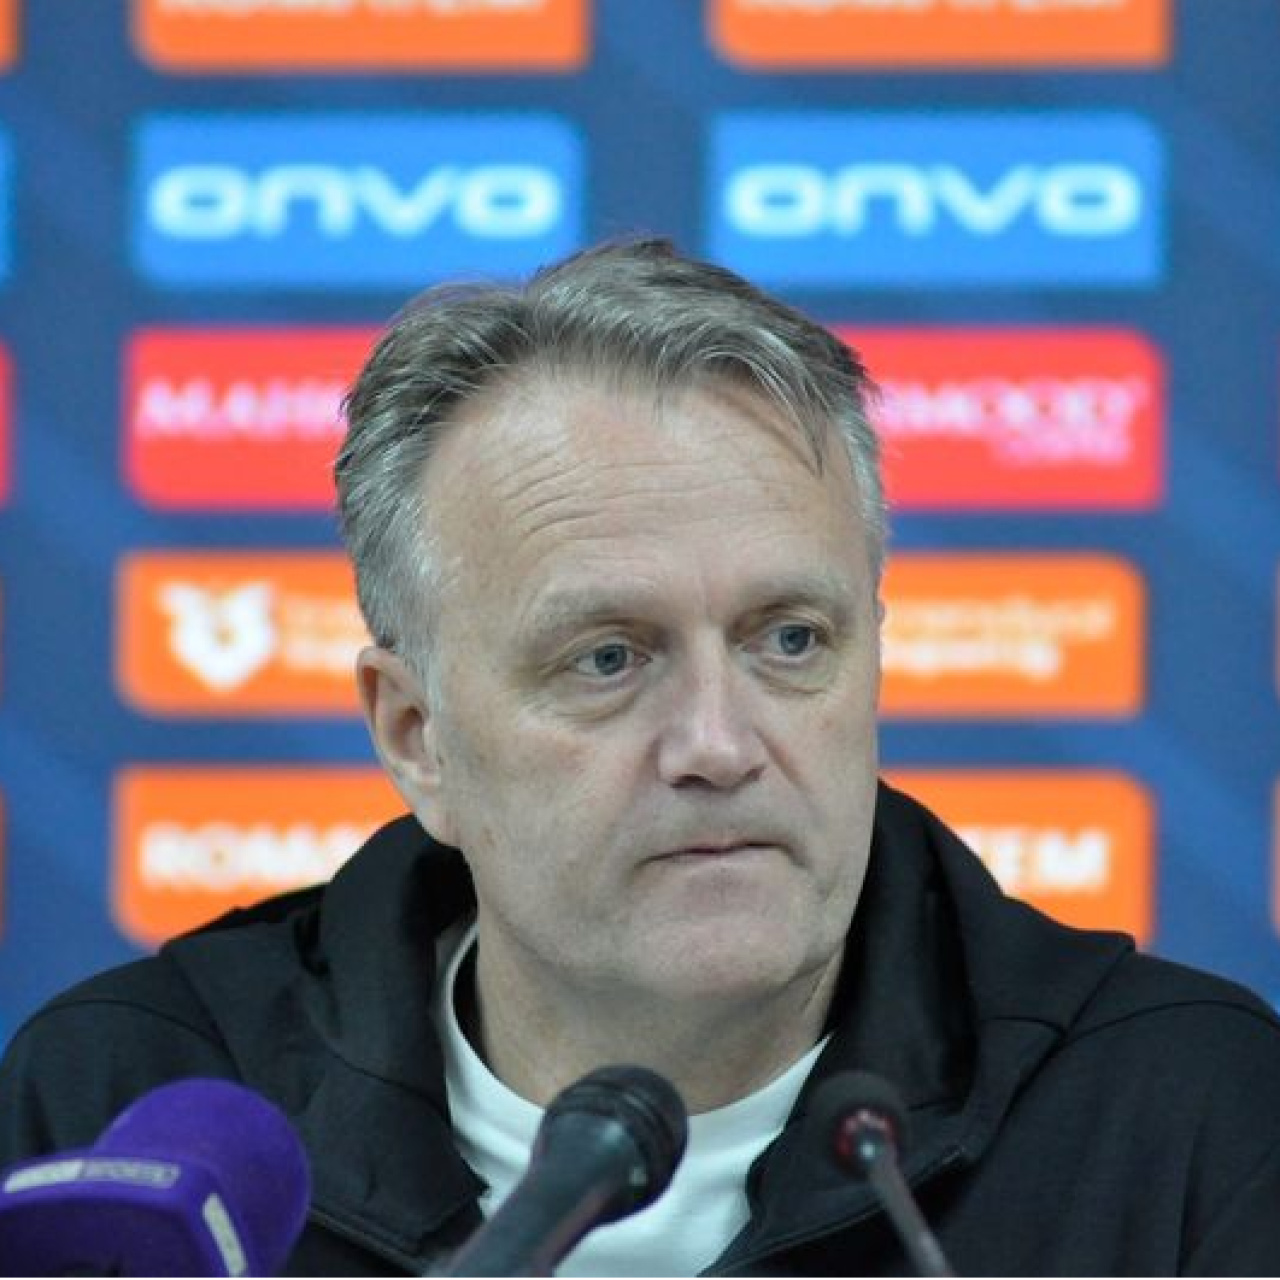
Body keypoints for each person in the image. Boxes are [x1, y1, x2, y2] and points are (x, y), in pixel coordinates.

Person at [3, 239, 1280, 1277]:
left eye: (789, 639)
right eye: (607, 657)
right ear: (416, 736)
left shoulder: (1177, 1118)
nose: (717, 744)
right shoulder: (131, 1109)